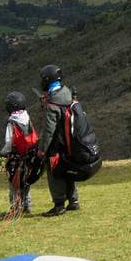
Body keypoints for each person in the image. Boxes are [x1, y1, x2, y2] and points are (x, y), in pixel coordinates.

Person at [36, 64, 101, 217]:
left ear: (47, 80)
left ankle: (59, 205)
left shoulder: (52, 104)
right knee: (68, 171)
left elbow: (48, 130)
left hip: (57, 145)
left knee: (55, 173)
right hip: (70, 142)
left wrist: (42, 149)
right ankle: (73, 201)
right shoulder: (67, 93)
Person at [0, 89, 40, 216]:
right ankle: (27, 206)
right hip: (29, 156)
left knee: (15, 184)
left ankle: (16, 208)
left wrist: (3, 152)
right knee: (26, 182)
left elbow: (9, 142)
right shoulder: (27, 118)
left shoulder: (12, 122)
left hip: (16, 158)